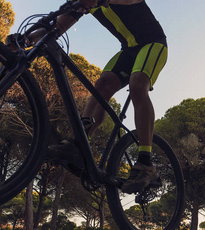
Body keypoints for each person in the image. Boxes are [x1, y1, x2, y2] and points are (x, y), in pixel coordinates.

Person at [25, 0, 168, 193]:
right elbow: (59, 24)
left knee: (137, 84)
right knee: (101, 86)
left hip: (153, 44)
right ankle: (80, 144)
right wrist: (25, 39)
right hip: (128, 50)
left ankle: (145, 163)